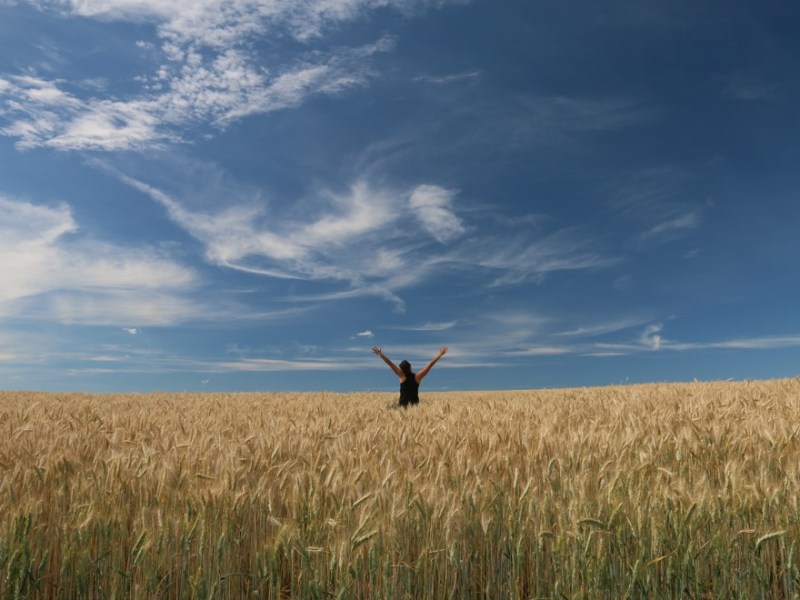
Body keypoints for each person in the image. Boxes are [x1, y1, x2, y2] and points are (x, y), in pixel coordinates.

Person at [372, 346, 448, 407]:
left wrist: (381, 355)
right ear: (410, 367)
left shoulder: (401, 376)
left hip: (402, 405)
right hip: (415, 406)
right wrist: (440, 354)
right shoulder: (418, 376)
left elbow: (390, 364)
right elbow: (430, 365)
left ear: (401, 370)